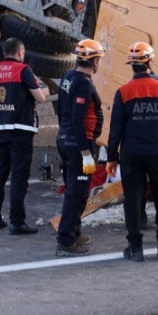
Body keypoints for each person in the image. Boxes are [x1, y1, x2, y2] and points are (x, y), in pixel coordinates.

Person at [106, 42, 158, 261]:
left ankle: (135, 248)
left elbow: (115, 129)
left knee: (133, 197)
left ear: (131, 65)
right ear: (151, 62)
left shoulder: (123, 91)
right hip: (157, 151)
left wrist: (111, 157)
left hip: (131, 152)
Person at [0, 38, 50, 234]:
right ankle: (17, 221)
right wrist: (45, 89)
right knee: (19, 176)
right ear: (20, 52)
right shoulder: (23, 70)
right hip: (20, 128)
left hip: (0, 127)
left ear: (4, 53)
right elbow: (40, 97)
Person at [55, 39, 105, 257]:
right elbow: (78, 118)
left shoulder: (68, 76)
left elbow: (61, 111)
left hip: (66, 140)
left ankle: (74, 232)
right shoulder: (84, 83)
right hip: (79, 146)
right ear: (94, 61)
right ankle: (66, 241)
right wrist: (86, 153)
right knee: (77, 194)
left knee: (74, 191)